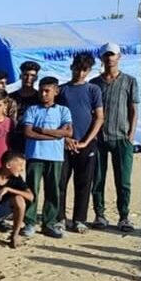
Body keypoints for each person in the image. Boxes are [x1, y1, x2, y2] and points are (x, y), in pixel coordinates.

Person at [90, 43, 139, 233]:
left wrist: (131, 134)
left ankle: (124, 216)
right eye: (106, 55)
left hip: (121, 137)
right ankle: (99, 214)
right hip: (99, 138)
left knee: (123, 181)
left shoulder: (130, 81)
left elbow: (133, 110)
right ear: (101, 58)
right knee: (98, 179)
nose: (109, 58)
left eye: (113, 55)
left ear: (119, 57)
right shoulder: (94, 83)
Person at [57, 53, 105, 234]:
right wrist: (64, 138)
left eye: (85, 70)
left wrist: (86, 141)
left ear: (89, 71)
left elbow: (99, 117)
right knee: (60, 183)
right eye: (77, 69)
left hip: (87, 144)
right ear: (72, 67)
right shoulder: (61, 90)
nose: (80, 73)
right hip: (64, 144)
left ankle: (79, 219)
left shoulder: (93, 90)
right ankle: (60, 218)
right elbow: (54, 118)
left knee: (84, 183)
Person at [22, 76, 74, 239]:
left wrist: (43, 130)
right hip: (35, 154)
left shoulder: (63, 111)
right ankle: (29, 222)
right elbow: (28, 132)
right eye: (41, 91)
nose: (43, 94)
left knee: (53, 190)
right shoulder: (32, 109)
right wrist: (55, 135)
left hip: (55, 156)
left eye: (47, 91)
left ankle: (49, 223)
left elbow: (68, 132)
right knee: (32, 189)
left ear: (56, 91)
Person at [10, 61, 42, 152]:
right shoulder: (11, 97)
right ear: (21, 76)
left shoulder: (40, 98)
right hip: (14, 139)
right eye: (26, 75)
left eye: (32, 75)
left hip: (34, 139)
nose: (28, 78)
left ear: (36, 78)